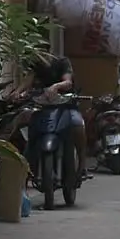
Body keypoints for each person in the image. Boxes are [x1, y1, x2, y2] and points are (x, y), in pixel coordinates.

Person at [14, 47, 92, 180]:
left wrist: (56, 86)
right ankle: (24, 164)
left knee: (78, 126)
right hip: (43, 107)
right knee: (22, 121)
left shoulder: (62, 62)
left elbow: (67, 82)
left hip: (65, 105)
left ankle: (82, 165)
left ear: (48, 52)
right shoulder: (37, 66)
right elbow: (28, 80)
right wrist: (18, 92)